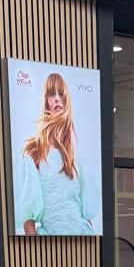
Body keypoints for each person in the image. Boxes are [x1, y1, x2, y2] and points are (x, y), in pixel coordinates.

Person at [16, 72, 97, 236]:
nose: (57, 99)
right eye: (52, 94)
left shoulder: (75, 157)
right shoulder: (34, 153)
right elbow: (28, 218)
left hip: (80, 238)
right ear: (45, 101)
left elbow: (85, 213)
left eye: (61, 94)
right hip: (48, 242)